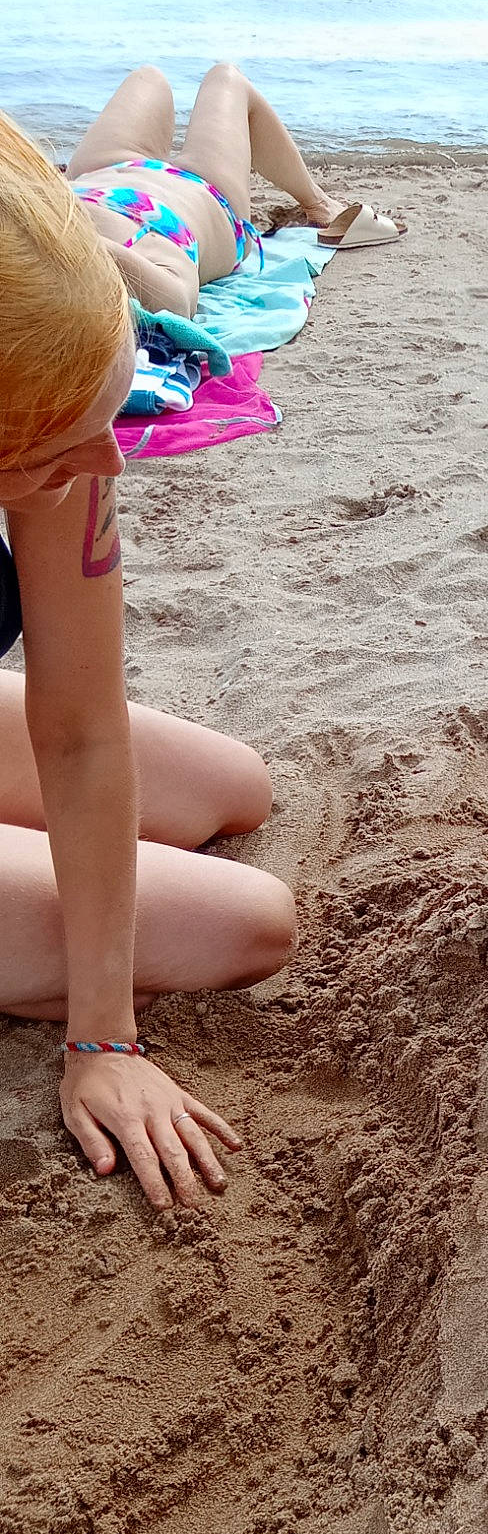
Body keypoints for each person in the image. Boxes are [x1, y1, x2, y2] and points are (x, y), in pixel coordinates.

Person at [1, 109, 297, 1208]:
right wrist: (97, 1036)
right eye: (49, 445)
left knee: (231, 790)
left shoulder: (56, 388)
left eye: (111, 407)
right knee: (243, 922)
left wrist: (106, 1037)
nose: (105, 456)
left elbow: (81, 725)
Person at [65, 64, 397, 323]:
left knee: (148, 77)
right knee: (227, 78)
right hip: (202, 192)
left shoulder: (29, 238)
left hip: (101, 172)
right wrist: (73, 245)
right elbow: (177, 303)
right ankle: (319, 203)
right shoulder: (141, 262)